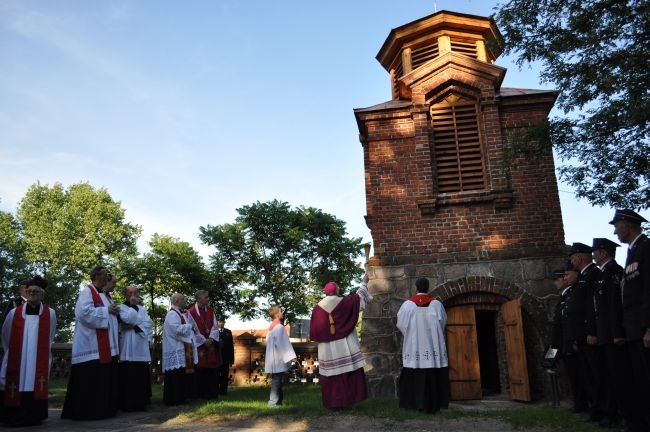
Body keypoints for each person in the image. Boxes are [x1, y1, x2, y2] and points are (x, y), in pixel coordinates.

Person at [61, 266, 121, 420]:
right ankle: (86, 411)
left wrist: (112, 310)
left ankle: (102, 410)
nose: (107, 278)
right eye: (105, 275)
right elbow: (83, 313)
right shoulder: (87, 292)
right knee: (90, 382)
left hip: (106, 346)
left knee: (102, 382)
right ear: (96, 276)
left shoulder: (103, 295)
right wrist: (107, 311)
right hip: (91, 345)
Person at [610, 209, 650, 432]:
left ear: (627, 224)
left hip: (643, 329)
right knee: (639, 382)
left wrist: (649, 328)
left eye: (617, 225)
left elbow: (648, 292)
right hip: (633, 330)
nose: (615, 231)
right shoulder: (632, 252)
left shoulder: (646, 248)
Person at [0, 276, 56, 426]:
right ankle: (13, 416)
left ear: (42, 295)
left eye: (35, 291)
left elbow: (50, 335)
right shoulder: (14, 313)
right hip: (18, 357)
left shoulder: (50, 314)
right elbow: (6, 335)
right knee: (15, 382)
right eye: (29, 291)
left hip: (38, 358)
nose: (31, 293)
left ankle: (35, 417)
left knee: (33, 381)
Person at [309, 274, 372, 409]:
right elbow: (359, 298)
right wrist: (364, 281)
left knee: (331, 376)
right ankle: (348, 401)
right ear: (336, 290)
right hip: (345, 345)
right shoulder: (344, 302)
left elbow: (315, 330)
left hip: (328, 349)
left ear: (325, 292)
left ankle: (333, 403)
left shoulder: (317, 308)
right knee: (347, 373)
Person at [396, 277, 449, 413]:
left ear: (416, 288)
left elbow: (401, 325)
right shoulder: (437, 304)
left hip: (414, 347)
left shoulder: (407, 305)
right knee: (432, 374)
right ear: (428, 288)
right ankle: (434, 404)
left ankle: (414, 403)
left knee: (414, 372)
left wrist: (411, 334)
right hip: (433, 347)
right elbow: (442, 323)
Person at [118, 285, 153, 411]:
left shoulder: (142, 308)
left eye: (135, 293)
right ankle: (128, 403)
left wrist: (134, 325)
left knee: (140, 373)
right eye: (130, 293)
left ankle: (141, 402)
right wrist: (133, 310)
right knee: (129, 373)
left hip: (141, 344)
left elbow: (148, 323)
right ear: (125, 294)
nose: (133, 295)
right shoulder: (121, 307)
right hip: (128, 345)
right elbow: (126, 319)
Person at [162, 293, 197, 405]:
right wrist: (189, 326)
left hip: (180, 347)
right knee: (175, 375)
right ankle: (173, 399)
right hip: (174, 347)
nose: (184, 301)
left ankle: (179, 398)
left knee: (180, 374)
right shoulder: (172, 314)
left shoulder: (180, 313)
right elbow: (175, 329)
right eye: (182, 299)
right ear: (176, 301)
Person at [185, 290, 221, 400]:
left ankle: (211, 394)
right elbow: (191, 329)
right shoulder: (191, 312)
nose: (207, 299)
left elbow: (215, 327)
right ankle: (199, 395)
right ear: (199, 299)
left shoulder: (211, 311)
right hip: (199, 346)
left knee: (211, 370)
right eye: (206, 297)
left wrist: (210, 339)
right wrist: (203, 340)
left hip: (210, 345)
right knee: (199, 370)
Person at [264, 305, 296, 407]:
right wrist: (291, 356)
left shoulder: (271, 327)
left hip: (273, 357)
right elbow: (284, 343)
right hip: (278, 358)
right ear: (277, 314)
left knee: (277, 380)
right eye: (281, 311)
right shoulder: (279, 327)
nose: (282, 313)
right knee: (277, 380)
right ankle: (272, 403)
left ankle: (279, 402)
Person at [216, 314, 234, 395]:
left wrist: (231, 359)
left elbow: (231, 346)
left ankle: (223, 391)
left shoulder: (228, 332)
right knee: (216, 374)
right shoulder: (214, 332)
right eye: (220, 322)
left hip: (226, 358)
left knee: (224, 375)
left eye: (223, 322)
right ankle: (216, 390)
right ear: (217, 322)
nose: (222, 323)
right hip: (217, 357)